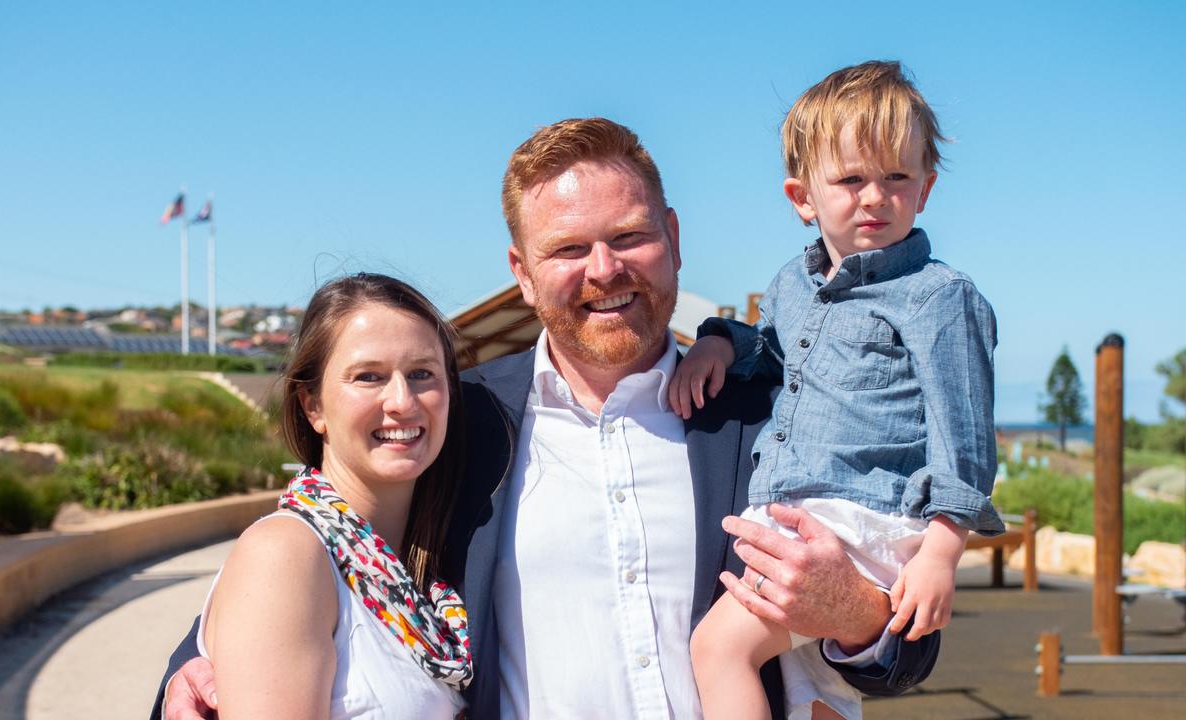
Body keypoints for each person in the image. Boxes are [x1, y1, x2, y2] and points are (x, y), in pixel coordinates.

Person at [154, 117, 940, 719]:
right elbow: (328, 548)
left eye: (629, 236)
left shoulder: (771, 412)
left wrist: (853, 611)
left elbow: (910, 641)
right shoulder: (461, 422)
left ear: (673, 237)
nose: (605, 271)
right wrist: (189, 676)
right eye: (568, 250)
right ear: (521, 275)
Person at [671, 61, 1002, 720]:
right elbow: (768, 349)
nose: (876, 197)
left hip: (865, 520)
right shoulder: (793, 286)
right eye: (851, 179)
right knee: (813, 694)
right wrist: (715, 340)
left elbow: (964, 439)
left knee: (718, 651)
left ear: (926, 189)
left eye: (897, 178)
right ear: (803, 197)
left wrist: (941, 552)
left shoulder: (939, 297)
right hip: (802, 518)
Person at [191, 273, 471, 718]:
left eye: (421, 373)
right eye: (368, 377)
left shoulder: (427, 566)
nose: (402, 400)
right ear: (312, 406)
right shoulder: (285, 556)